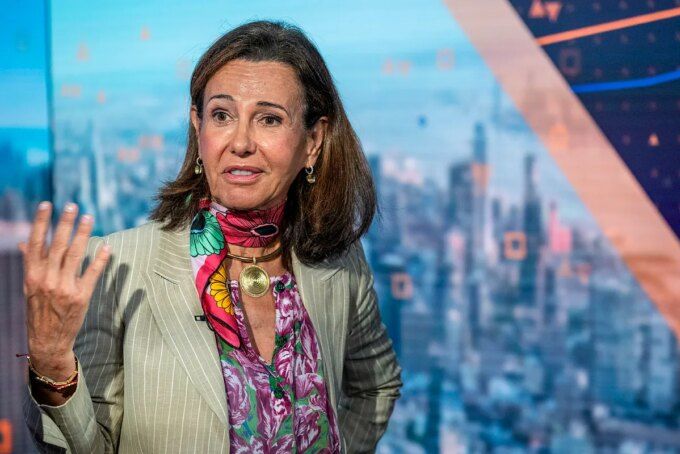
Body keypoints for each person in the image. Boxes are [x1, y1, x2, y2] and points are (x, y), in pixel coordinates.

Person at [21, 20, 402, 453]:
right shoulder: (118, 264)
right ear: (198, 127)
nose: (240, 143)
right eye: (222, 115)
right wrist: (52, 364)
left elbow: (377, 386)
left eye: (269, 119)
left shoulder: (340, 259)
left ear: (312, 141)